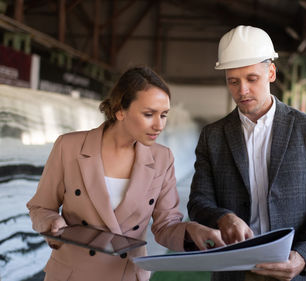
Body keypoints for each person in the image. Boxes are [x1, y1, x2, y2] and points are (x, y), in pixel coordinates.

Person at [27, 66, 225, 281]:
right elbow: (41, 207)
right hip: (71, 273)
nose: (159, 125)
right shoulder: (69, 146)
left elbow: (166, 224)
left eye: (164, 115)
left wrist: (193, 230)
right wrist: (51, 222)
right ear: (120, 110)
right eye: (149, 114)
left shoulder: (162, 158)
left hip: (126, 274)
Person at [187, 25, 306, 281]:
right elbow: (198, 202)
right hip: (237, 272)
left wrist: (303, 256)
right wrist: (224, 217)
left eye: (252, 78)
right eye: (233, 81)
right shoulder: (212, 136)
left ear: (271, 72)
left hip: (298, 271)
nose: (242, 90)